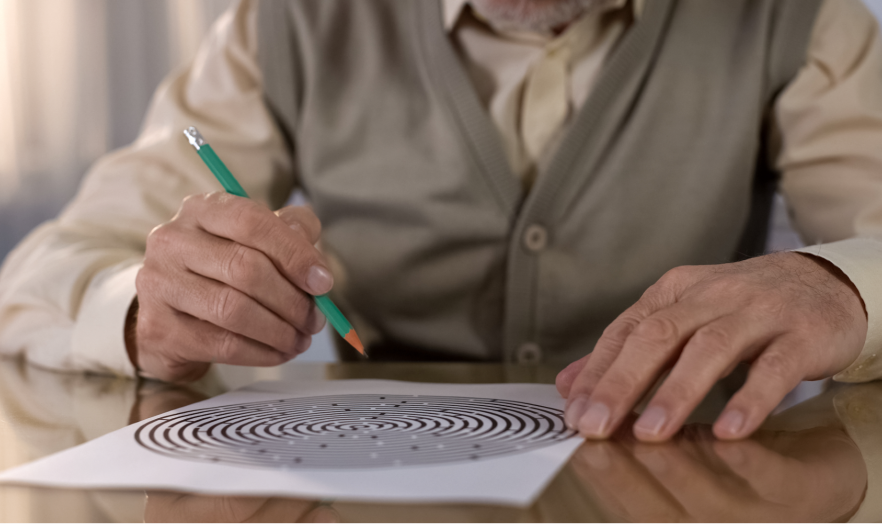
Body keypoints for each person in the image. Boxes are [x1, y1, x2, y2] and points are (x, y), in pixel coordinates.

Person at [0, 0, 880, 443]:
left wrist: (837, 285)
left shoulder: (799, 18)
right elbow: (45, 270)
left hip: (682, 488)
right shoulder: (288, 20)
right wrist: (142, 306)